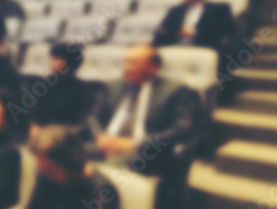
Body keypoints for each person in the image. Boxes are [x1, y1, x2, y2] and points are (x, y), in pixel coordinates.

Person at [86, 45, 201, 180]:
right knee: (62, 155)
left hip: (145, 151)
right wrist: (100, 136)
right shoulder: (113, 86)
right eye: (125, 62)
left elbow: (182, 129)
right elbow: (93, 116)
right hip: (106, 143)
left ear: (153, 67)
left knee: (107, 172)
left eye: (133, 63)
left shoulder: (177, 90)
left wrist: (136, 143)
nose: (126, 68)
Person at [153, 0, 237, 53]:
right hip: (176, 47)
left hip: (205, 49)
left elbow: (227, 32)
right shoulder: (175, 10)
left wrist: (194, 34)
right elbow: (162, 31)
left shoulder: (219, 9)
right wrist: (178, 33)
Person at [30, 44, 100, 130]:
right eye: (53, 58)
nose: (52, 62)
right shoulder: (41, 86)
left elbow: (81, 123)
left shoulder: (84, 91)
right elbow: (34, 118)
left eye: (58, 59)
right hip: (42, 134)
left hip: (68, 135)